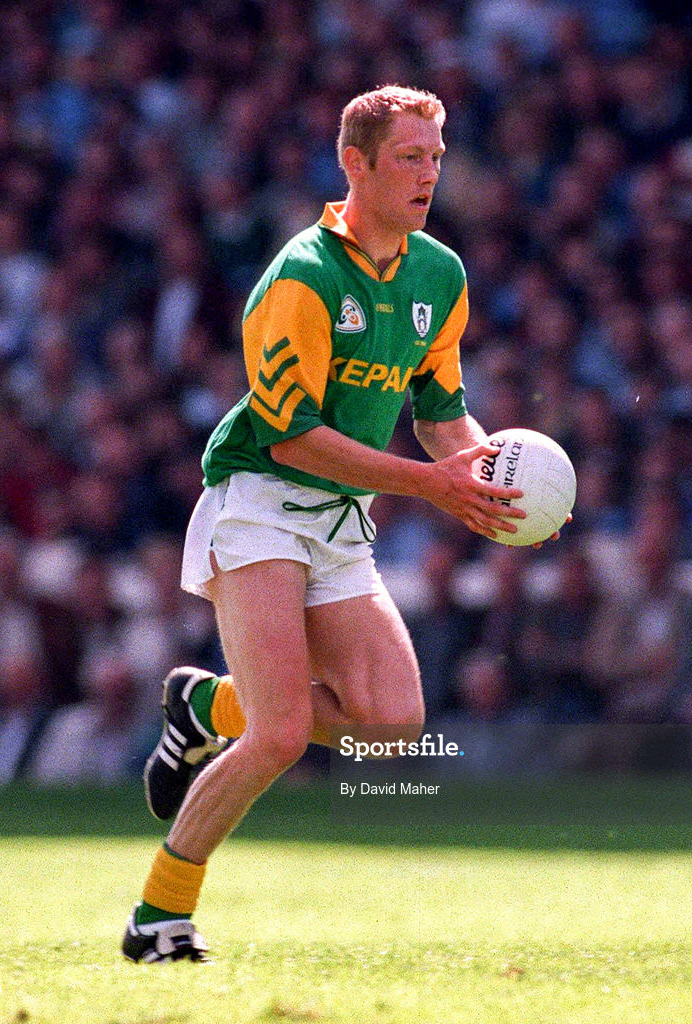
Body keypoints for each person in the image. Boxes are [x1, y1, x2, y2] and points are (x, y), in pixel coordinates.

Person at [121, 86, 565, 963]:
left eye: (436, 158)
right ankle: (157, 919)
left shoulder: (440, 274)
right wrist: (433, 486)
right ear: (354, 165)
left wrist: (492, 490)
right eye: (410, 157)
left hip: (342, 514)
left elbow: (443, 417)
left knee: (393, 727)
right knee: (282, 736)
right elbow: (291, 442)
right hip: (258, 500)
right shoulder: (301, 277)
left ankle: (205, 702)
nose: (430, 174)